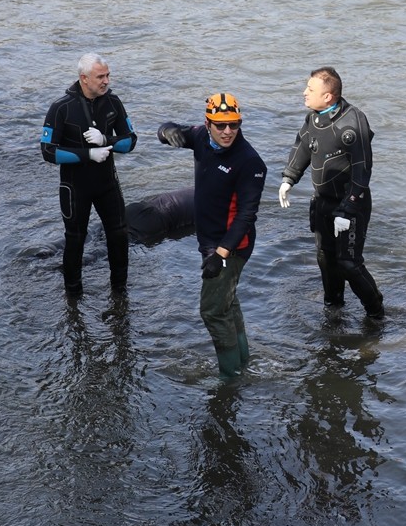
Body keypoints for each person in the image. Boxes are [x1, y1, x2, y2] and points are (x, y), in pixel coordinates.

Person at [157, 93, 267, 378]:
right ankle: (243, 364)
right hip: (210, 242)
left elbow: (246, 215)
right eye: (220, 125)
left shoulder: (250, 162)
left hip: (230, 246)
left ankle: (229, 378)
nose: (228, 131)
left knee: (213, 312)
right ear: (208, 124)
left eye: (234, 124)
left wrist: (221, 254)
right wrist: (166, 132)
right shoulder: (201, 139)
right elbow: (171, 129)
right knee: (227, 304)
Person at [278, 66, 384, 319]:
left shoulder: (353, 121)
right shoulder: (312, 119)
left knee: (348, 263)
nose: (304, 92)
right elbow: (303, 147)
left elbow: (362, 172)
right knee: (326, 258)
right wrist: (288, 179)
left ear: (328, 96)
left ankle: (377, 314)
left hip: (350, 206)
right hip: (322, 203)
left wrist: (348, 209)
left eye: (310, 89)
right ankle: (333, 309)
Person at [40, 53, 137, 297]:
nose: (106, 81)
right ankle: (73, 298)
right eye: (100, 77)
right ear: (84, 78)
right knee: (75, 239)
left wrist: (107, 140)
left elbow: (131, 141)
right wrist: (87, 155)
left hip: (107, 184)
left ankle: (120, 292)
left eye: (107, 75)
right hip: (75, 187)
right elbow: (48, 152)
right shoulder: (61, 108)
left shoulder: (113, 102)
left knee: (118, 234)